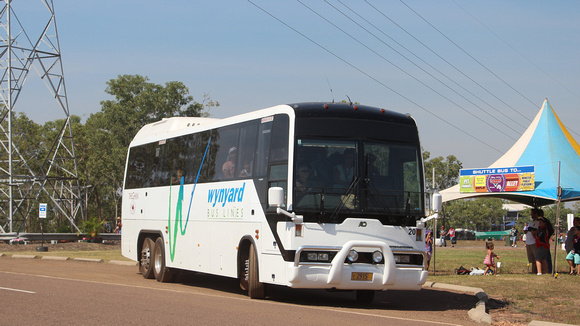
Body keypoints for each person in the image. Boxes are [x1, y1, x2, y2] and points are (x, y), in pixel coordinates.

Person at [525, 209, 540, 274]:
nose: (531, 215)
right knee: (531, 260)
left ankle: (538, 271)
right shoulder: (532, 222)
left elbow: (537, 231)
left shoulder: (538, 222)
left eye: (532, 213)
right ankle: (533, 271)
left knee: (536, 258)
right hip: (528, 242)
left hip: (534, 242)